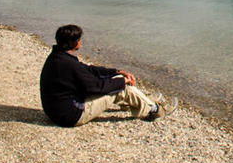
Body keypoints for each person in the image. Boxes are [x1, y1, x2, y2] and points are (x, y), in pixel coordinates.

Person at [39, 24, 176, 127]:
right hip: (70, 116)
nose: (81, 42)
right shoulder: (68, 64)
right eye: (80, 39)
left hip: (58, 111)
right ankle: (156, 110)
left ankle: (141, 101)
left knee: (116, 80)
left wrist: (117, 72)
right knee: (121, 88)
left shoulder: (58, 57)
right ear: (75, 43)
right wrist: (123, 81)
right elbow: (95, 87)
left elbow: (88, 70)